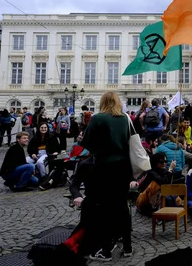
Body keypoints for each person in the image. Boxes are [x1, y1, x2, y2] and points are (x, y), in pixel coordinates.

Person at [81, 91, 136, 261]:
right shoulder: (125, 118)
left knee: (104, 209)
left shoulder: (98, 118)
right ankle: (127, 246)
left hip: (104, 167)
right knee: (122, 206)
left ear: (103, 102)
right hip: (123, 167)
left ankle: (105, 250)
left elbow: (87, 143)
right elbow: (132, 140)